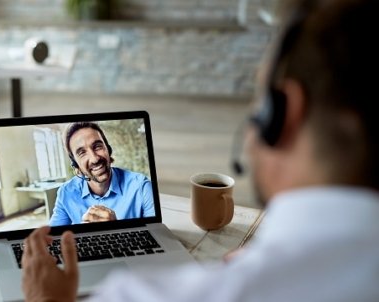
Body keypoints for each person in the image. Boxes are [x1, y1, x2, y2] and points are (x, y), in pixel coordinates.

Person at [22, 0, 379, 300]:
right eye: (82, 153)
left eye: (258, 103)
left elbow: (154, 238)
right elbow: (51, 241)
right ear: (75, 164)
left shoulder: (156, 286)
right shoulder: (68, 194)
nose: (93, 156)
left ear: (282, 115)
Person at [48, 122, 155, 226]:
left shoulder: (142, 186)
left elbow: (155, 233)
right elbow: (52, 238)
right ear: (76, 164)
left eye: (97, 146)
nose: (94, 159)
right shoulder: (66, 193)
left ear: (108, 149)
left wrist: (116, 228)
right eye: (82, 153)